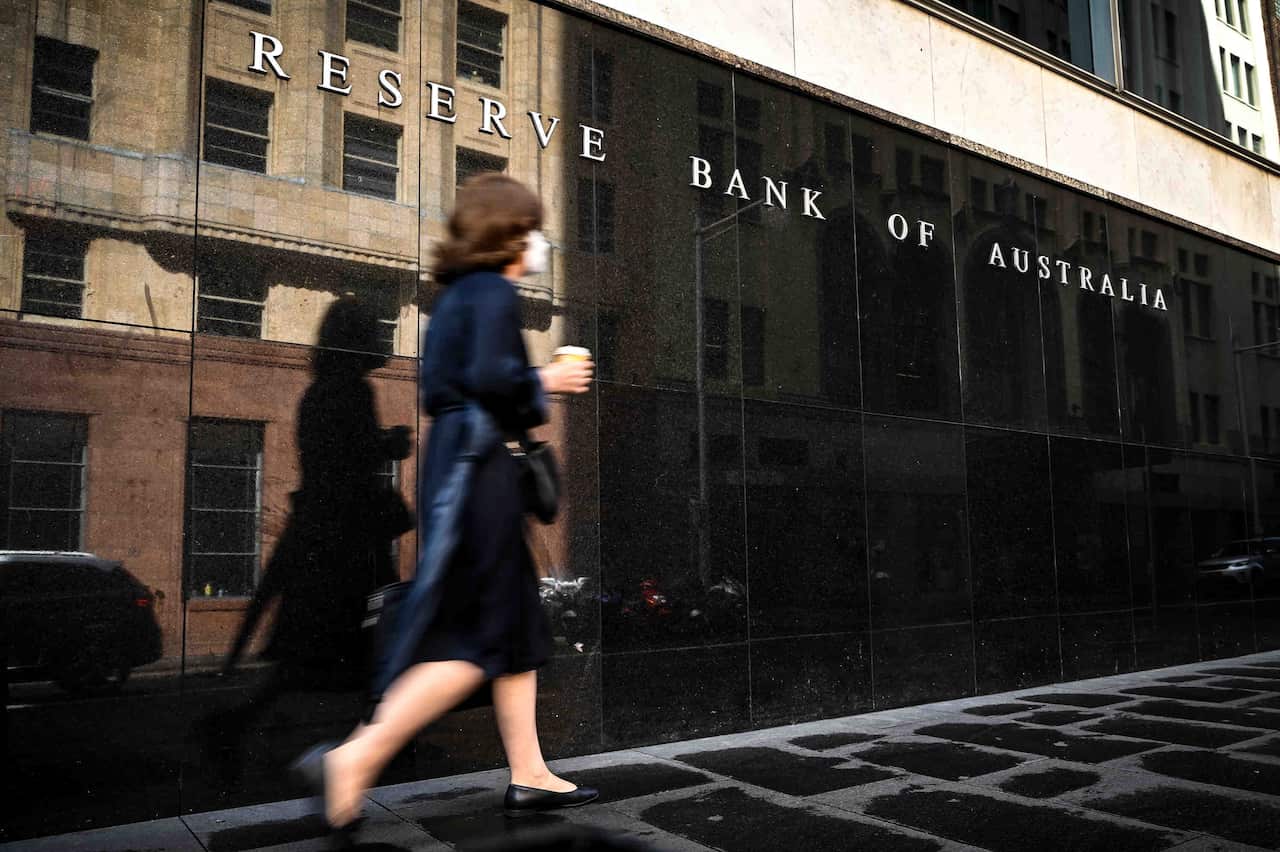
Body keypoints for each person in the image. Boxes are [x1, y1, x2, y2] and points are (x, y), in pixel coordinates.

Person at [295, 174, 596, 829]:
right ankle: (359, 755)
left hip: (465, 466)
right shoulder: (488, 290)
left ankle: (531, 774)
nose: (541, 242)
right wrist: (551, 377)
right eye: (533, 228)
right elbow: (493, 381)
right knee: (483, 637)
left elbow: (456, 387)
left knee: (513, 628)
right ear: (509, 232)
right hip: (476, 473)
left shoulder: (460, 294)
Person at [202, 295, 412, 786]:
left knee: (314, 657)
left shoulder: (320, 391)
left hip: (325, 533)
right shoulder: (351, 391)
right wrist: (389, 444)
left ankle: (237, 726)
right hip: (347, 540)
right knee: (371, 647)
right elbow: (351, 460)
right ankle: (381, 749)